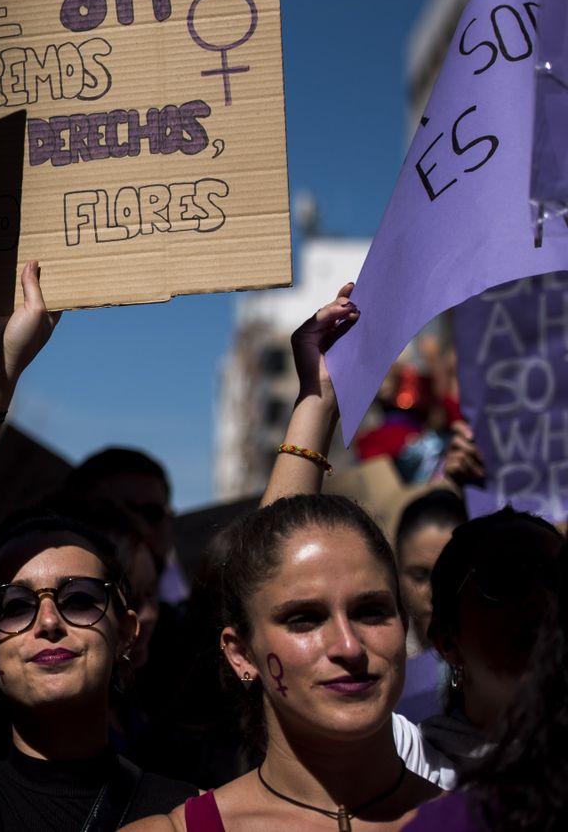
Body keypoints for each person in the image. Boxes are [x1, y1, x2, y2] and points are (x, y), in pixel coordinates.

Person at [0, 262, 198, 832]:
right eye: (14, 604)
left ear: (126, 629)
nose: (47, 621)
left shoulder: (193, 811)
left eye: (77, 599)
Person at [124, 285, 441, 831]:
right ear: (241, 653)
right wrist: (315, 400)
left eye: (371, 611)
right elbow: (266, 569)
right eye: (304, 619)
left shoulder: (494, 819)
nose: (348, 647)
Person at [403, 544, 568, 832]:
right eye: (502, 582)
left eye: (552, 578)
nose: (536, 600)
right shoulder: (407, 761)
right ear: (448, 642)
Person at [391, 490, 466, 722]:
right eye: (420, 575)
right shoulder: (378, 654)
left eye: (450, 574)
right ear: (396, 574)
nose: (434, 593)